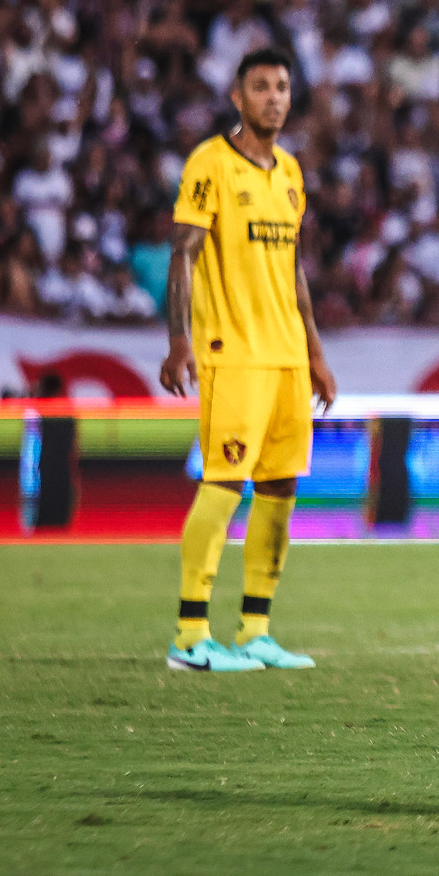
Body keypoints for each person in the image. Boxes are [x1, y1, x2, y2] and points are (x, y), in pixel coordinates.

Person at [158, 47, 338, 672]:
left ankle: (255, 630)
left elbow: (293, 270)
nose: (273, 97)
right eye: (259, 87)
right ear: (238, 97)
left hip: (286, 356)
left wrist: (314, 350)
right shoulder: (211, 162)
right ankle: (188, 636)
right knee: (224, 482)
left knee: (280, 487)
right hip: (231, 352)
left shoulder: (289, 172)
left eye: (282, 87)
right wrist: (178, 339)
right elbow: (182, 251)